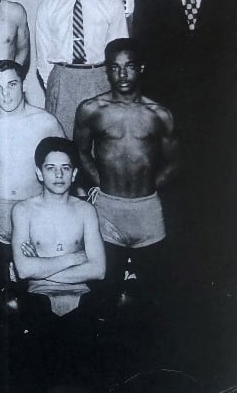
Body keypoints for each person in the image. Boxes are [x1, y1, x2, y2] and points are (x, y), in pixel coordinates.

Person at [131, 0, 237, 288]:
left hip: (220, 119)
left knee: (218, 195)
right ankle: (178, 277)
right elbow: (144, 61)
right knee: (174, 198)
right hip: (171, 119)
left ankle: (221, 275)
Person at [73, 39, 177, 303]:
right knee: (104, 292)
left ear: (141, 68)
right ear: (106, 71)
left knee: (153, 294)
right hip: (108, 210)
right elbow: (81, 152)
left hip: (147, 211)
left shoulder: (159, 114)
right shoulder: (91, 109)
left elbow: (174, 161)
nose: (122, 74)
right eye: (115, 68)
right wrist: (100, 184)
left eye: (129, 67)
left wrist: (151, 187)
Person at [0, 60, 64, 292]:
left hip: (33, 211)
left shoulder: (46, 122)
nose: (6, 94)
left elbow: (64, 164)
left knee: (33, 287)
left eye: (12, 84)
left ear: (23, 85)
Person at [35, 0, 128, 137]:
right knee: (63, 144)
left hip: (99, 78)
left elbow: (119, 52)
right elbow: (43, 56)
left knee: (101, 141)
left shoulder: (111, 3)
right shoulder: (49, 6)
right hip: (62, 78)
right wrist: (56, 83)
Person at [11, 137, 105, 319]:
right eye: (51, 168)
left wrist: (40, 265)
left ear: (75, 173)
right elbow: (23, 270)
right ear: (39, 173)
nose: (59, 175)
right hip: (39, 294)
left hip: (81, 293)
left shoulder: (86, 210)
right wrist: (76, 257)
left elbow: (98, 270)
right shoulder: (23, 210)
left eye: (66, 168)